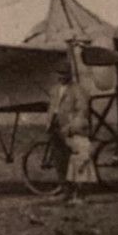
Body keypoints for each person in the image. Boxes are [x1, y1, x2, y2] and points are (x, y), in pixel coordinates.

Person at [48, 61, 95, 203]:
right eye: (59, 74)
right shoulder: (54, 89)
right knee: (59, 159)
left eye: (64, 74)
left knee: (74, 160)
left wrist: (71, 127)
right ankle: (65, 191)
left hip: (69, 128)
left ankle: (78, 193)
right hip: (54, 126)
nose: (62, 77)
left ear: (70, 74)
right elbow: (52, 107)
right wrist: (48, 122)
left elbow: (82, 110)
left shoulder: (78, 90)